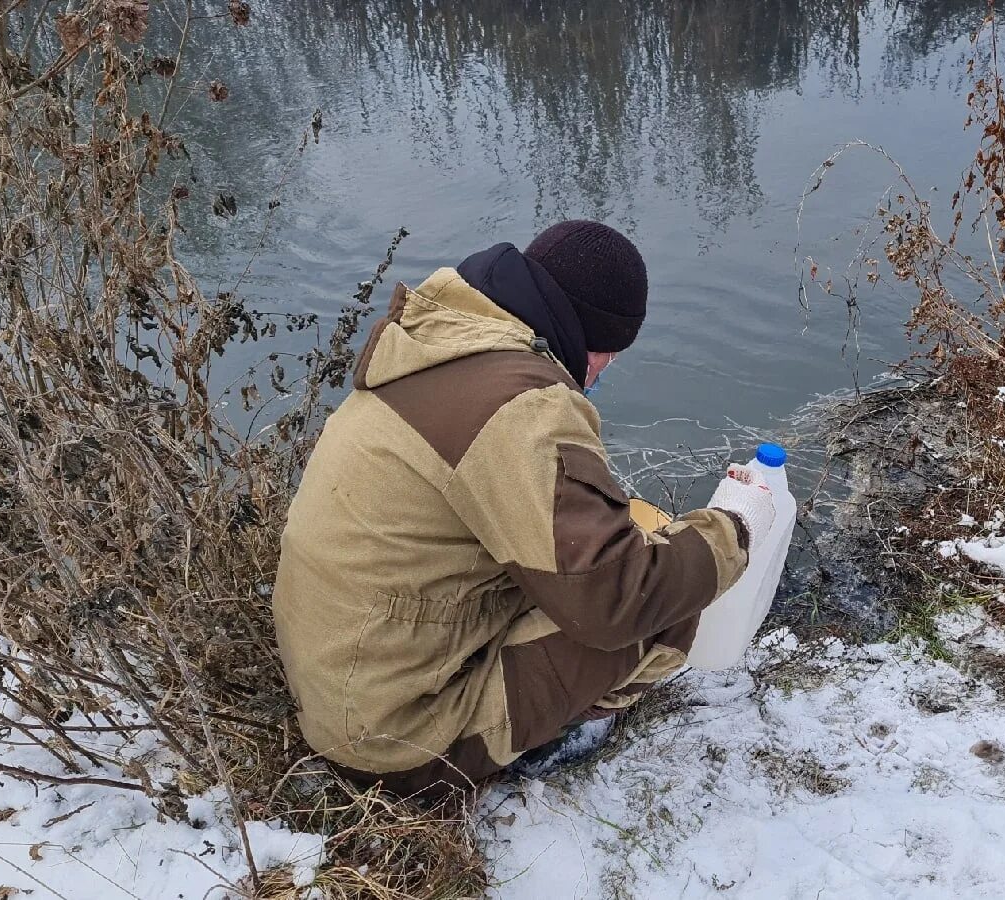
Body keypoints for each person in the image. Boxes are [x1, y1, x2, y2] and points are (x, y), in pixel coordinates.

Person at [272, 220, 778, 796]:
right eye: (607, 358)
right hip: (399, 746)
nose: (598, 376)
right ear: (589, 338)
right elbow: (618, 599)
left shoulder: (439, 339)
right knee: (666, 608)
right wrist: (735, 527)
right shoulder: (523, 406)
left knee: (603, 541)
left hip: (345, 685)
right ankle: (554, 736)